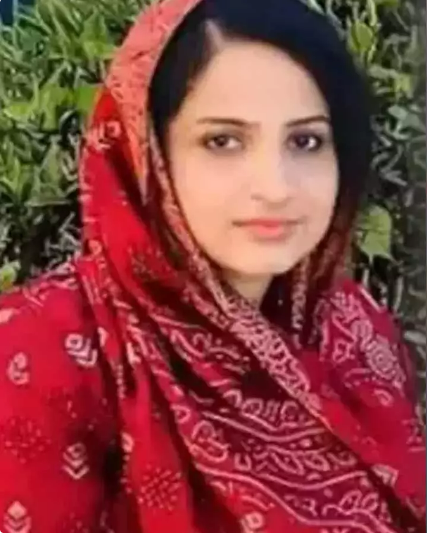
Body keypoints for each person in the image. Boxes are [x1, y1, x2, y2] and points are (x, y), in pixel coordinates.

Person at [0, 0, 424, 532]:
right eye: (222, 141)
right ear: (147, 154)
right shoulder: (43, 352)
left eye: (306, 141)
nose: (275, 187)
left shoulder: (355, 329)